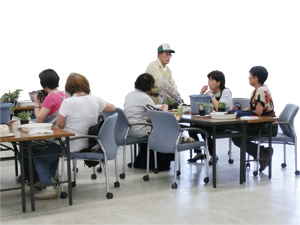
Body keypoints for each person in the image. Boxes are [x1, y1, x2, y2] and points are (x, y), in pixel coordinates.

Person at [30, 69, 68, 199]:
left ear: (42, 84)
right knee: (52, 153)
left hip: (55, 137)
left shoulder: (51, 97)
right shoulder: (65, 95)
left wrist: (36, 104)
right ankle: (49, 179)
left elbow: (40, 119)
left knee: (37, 155)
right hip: (65, 137)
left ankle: (48, 186)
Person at [123, 73, 174, 171]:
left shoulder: (130, 94)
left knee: (153, 128)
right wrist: (165, 109)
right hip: (138, 129)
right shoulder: (145, 97)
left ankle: (142, 160)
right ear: (150, 86)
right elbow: (158, 117)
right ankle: (160, 163)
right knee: (163, 130)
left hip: (126, 130)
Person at [232, 66, 277, 172]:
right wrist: (238, 110)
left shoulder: (261, 90)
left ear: (255, 78)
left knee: (237, 137)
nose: (248, 78)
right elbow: (250, 108)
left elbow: (258, 112)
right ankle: (262, 154)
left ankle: (262, 152)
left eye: (250, 75)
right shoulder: (256, 91)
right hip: (260, 125)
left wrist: (242, 113)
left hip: (266, 126)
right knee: (238, 136)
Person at [56, 73, 116, 153]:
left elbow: (59, 124)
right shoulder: (96, 100)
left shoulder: (67, 102)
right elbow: (112, 108)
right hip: (93, 142)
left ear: (68, 88)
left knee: (49, 146)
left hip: (73, 144)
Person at [188, 70, 233, 164]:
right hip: (211, 121)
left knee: (206, 131)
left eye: (212, 81)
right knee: (192, 127)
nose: (209, 83)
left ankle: (213, 155)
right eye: (209, 80)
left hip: (224, 123)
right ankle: (199, 153)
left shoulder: (225, 91)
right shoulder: (210, 92)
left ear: (219, 82)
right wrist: (202, 93)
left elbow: (219, 107)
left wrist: (211, 97)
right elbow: (199, 106)